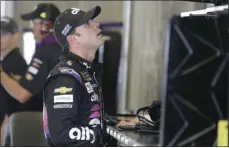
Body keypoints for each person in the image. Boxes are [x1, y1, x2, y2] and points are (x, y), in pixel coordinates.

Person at [43, 6, 106, 146]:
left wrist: (118, 125)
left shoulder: (83, 71)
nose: (96, 24)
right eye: (87, 24)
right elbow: (62, 134)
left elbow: (87, 118)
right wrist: (105, 135)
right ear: (73, 39)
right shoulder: (65, 77)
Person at [0, 3, 62, 111]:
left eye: (33, 23)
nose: (31, 27)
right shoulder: (60, 49)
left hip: (50, 120)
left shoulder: (45, 53)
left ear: (46, 25)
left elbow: (22, 95)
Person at [0, 16, 28, 143]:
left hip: (8, 125)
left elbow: (15, 102)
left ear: (15, 36)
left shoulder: (15, 62)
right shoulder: (5, 62)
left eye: (4, 34)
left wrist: (4, 127)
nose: (0, 37)